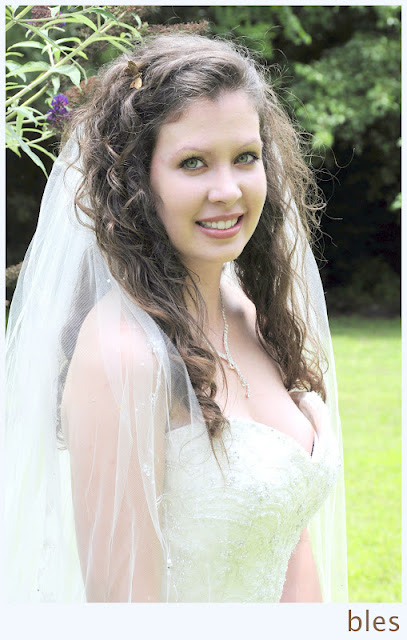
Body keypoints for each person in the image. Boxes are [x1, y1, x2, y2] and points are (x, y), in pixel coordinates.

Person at [5, 33, 348, 603]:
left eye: (246, 157)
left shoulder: (252, 312)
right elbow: (124, 609)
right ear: (137, 183)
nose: (228, 190)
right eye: (193, 163)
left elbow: (288, 541)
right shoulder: (123, 355)